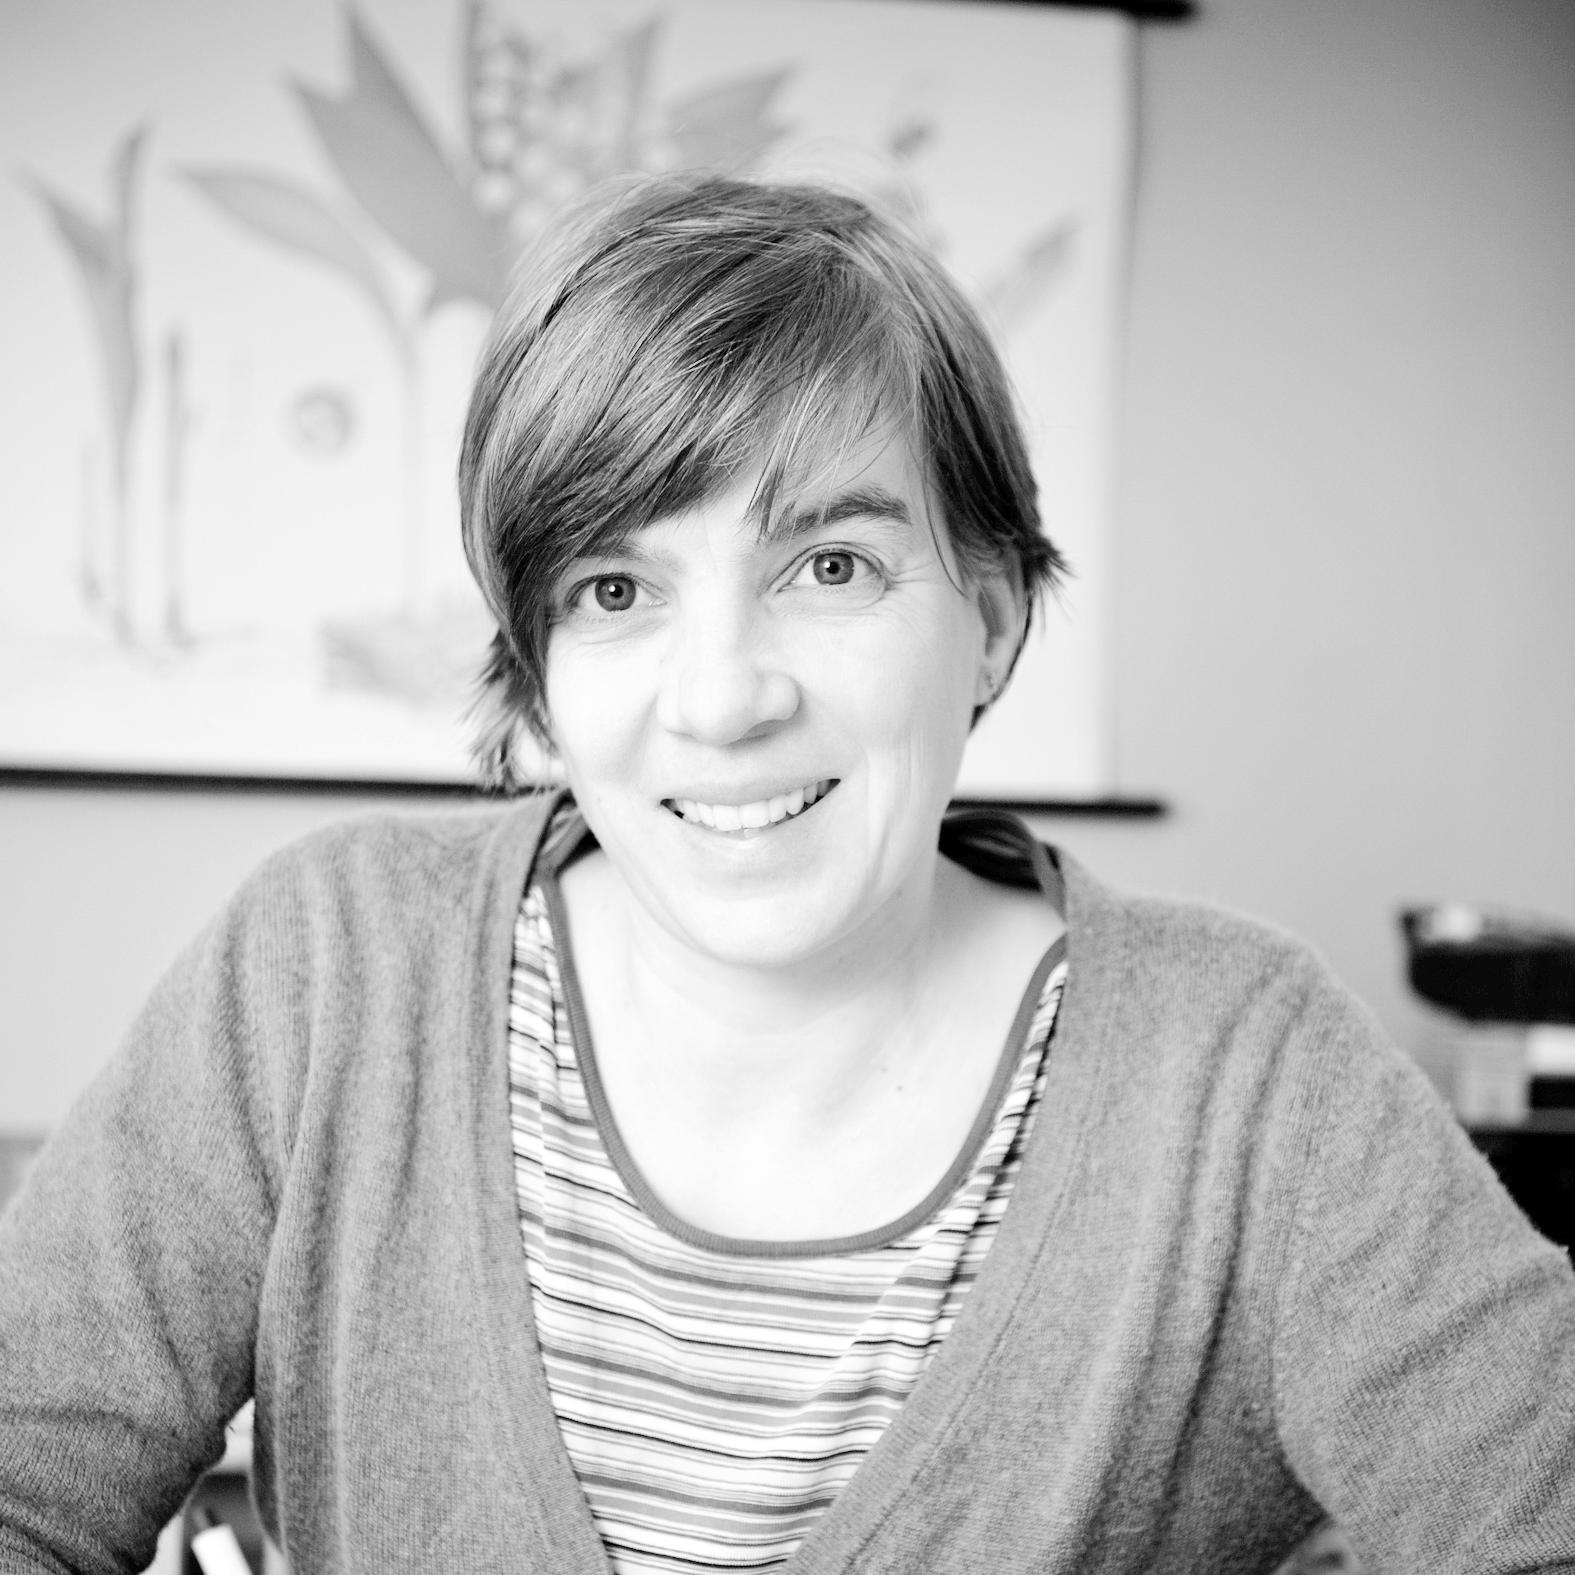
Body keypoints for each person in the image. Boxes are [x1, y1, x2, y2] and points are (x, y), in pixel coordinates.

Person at [1, 174, 1572, 1575]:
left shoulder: (1246, 1074)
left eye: (830, 566)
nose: (722, 698)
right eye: (616, 587)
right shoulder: (326, 970)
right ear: (541, 674)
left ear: (990, 621)